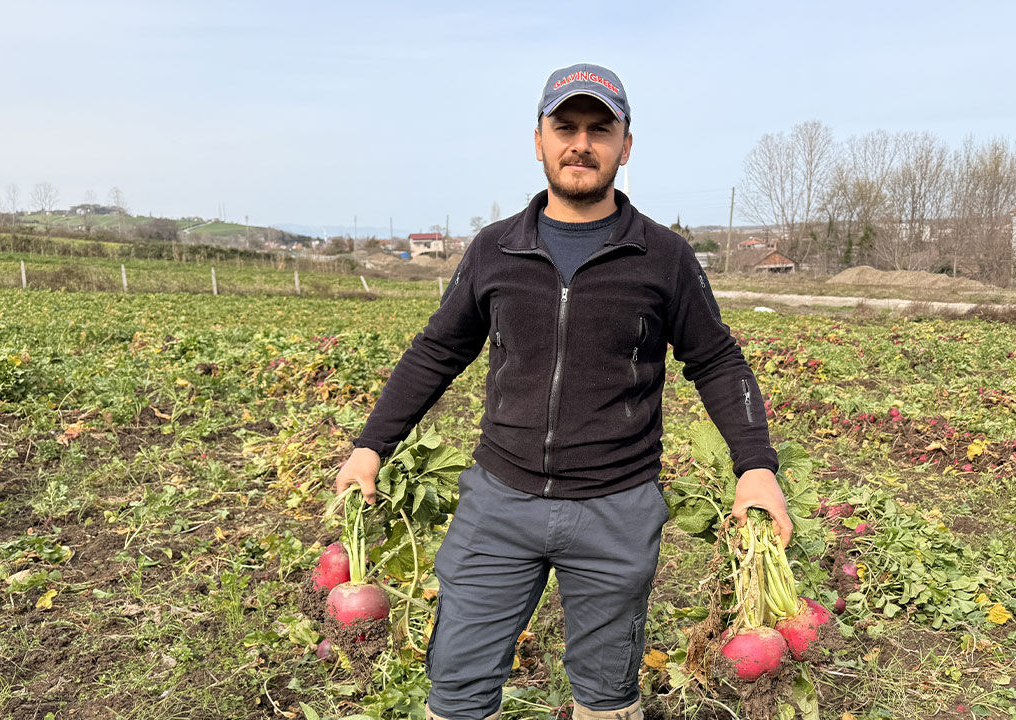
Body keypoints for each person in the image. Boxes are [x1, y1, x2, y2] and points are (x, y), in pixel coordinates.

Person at [334, 62, 792, 720]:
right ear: (539, 141)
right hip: (499, 502)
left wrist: (756, 466)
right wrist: (371, 445)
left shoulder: (663, 256)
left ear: (625, 146)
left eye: (600, 130)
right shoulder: (494, 249)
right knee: (457, 688)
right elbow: (438, 350)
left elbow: (716, 359)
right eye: (566, 127)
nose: (581, 143)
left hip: (616, 507)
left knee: (607, 697)